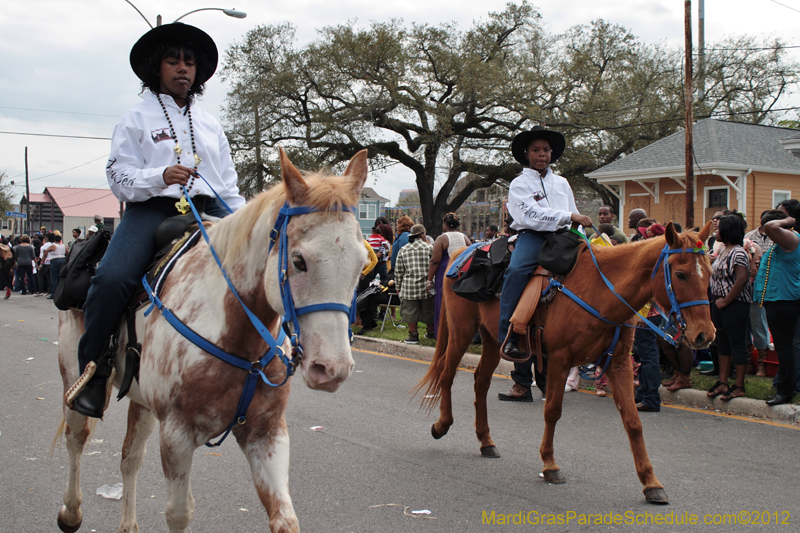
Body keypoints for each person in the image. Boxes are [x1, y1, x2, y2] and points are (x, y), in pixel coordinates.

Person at [70, 23, 246, 419]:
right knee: (111, 279)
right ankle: (94, 372)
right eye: (173, 61)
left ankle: (271, 357)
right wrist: (160, 176)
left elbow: (229, 185)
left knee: (262, 264)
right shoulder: (135, 118)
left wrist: (247, 223)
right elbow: (118, 177)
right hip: (153, 209)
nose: (183, 68)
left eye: (190, 62)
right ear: (157, 67)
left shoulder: (211, 124)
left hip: (209, 207)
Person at [499, 126, 592, 361]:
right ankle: (509, 334)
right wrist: (569, 217)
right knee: (516, 270)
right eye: (536, 150)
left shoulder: (562, 182)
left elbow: (573, 211)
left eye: (546, 150)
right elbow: (530, 214)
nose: (542, 154)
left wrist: (582, 235)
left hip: (564, 236)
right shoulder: (519, 183)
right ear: (526, 154)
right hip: (533, 236)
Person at [755, 207, 800, 406]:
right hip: (777, 300)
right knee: (784, 347)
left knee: (785, 347)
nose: (766, 233)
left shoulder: (792, 238)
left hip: (785, 300)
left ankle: (785, 391)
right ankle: (785, 387)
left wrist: (789, 220)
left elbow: (771, 227)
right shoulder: (781, 243)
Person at [705, 214, 753, 401]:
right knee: (722, 342)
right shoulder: (723, 251)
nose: (716, 231)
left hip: (734, 303)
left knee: (737, 343)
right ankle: (723, 381)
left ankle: (739, 385)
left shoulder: (738, 253)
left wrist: (726, 301)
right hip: (718, 303)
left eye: (719, 228)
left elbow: (742, 278)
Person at [427, 213, 471, 340]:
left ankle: (443, 334)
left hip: (445, 272)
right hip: (462, 273)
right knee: (460, 303)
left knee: (443, 302)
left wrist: (429, 279)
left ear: (445, 224)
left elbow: (435, 261)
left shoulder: (442, 238)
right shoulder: (464, 237)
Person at [394, 224, 435, 344]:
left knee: (410, 312)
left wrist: (398, 287)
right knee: (429, 311)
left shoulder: (404, 249)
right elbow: (434, 265)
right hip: (427, 287)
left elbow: (399, 271)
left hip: (409, 287)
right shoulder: (430, 248)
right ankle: (431, 333)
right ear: (422, 234)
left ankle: (413, 336)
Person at [45, 233, 68, 299]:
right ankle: (61, 293)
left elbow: (46, 251)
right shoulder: (63, 246)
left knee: (54, 278)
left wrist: (43, 259)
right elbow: (68, 253)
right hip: (63, 260)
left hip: (55, 261)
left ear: (54, 240)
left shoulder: (53, 245)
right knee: (61, 277)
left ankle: (54, 293)